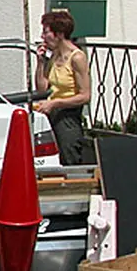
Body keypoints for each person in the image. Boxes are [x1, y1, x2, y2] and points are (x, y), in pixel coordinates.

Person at [34, 10, 93, 165]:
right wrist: (40, 63)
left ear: (59, 34)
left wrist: (55, 103)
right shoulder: (54, 56)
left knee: (68, 156)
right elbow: (42, 89)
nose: (43, 37)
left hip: (67, 116)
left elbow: (85, 96)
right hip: (51, 113)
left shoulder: (77, 58)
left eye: (46, 32)